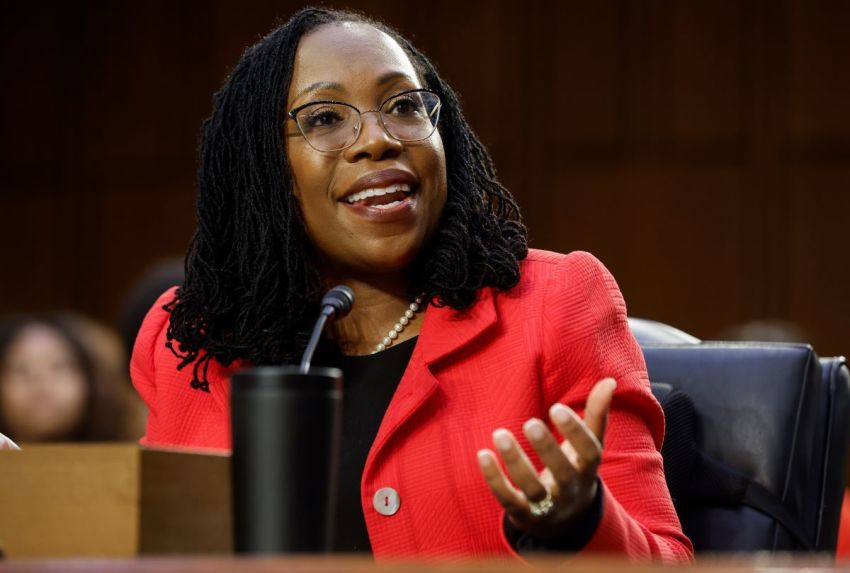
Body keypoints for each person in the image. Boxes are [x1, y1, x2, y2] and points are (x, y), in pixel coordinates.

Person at [131, 8, 693, 561]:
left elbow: (666, 559)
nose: (377, 139)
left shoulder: (554, 304)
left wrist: (580, 522)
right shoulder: (192, 339)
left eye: (403, 106)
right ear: (262, 166)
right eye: (324, 118)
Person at [0, 314, 145, 444]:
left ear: (92, 381)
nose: (41, 381)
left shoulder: (125, 459)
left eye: (58, 366)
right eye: (21, 370)